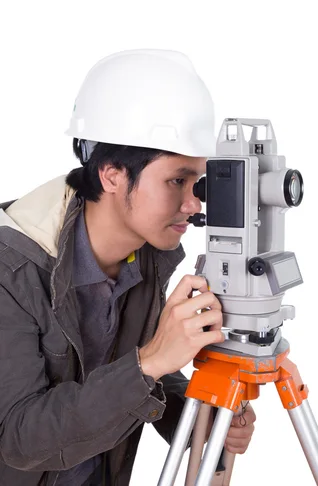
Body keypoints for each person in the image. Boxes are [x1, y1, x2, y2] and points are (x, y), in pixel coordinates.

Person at [0, 49, 256, 486]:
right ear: (113, 173)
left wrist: (198, 417)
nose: (194, 204)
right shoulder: (13, 270)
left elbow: (134, 367)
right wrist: (151, 361)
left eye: (199, 182)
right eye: (177, 180)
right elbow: (19, 439)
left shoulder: (146, 255)